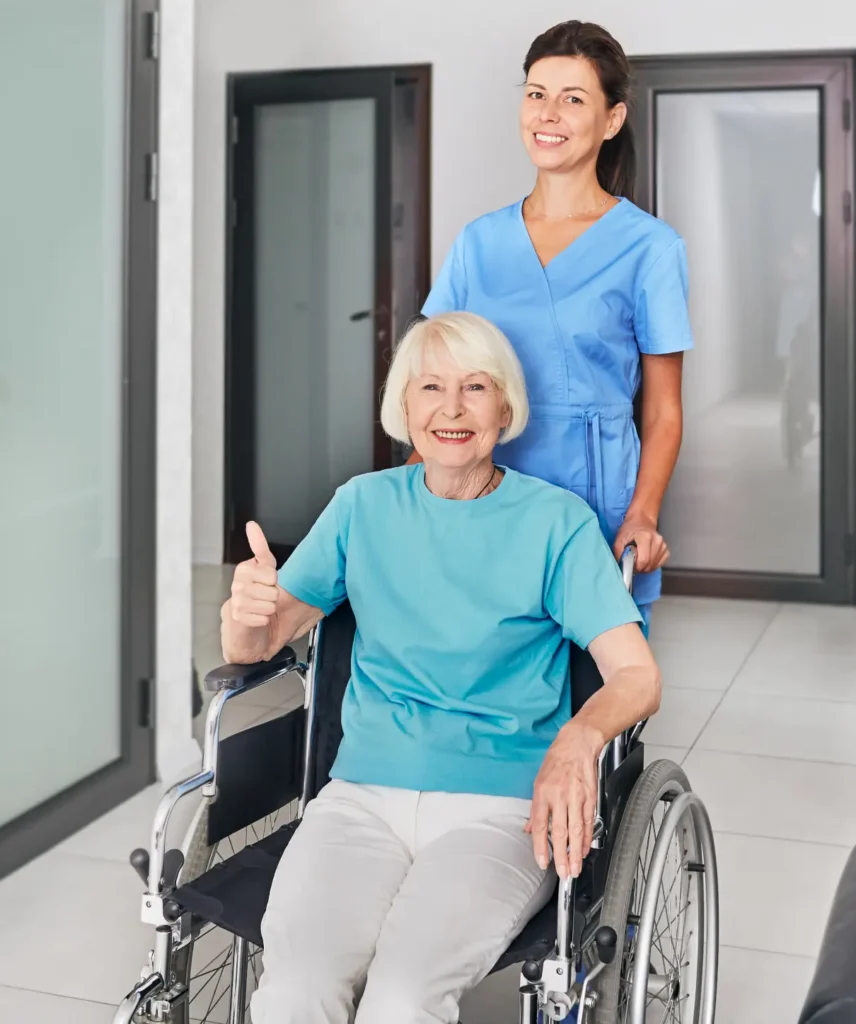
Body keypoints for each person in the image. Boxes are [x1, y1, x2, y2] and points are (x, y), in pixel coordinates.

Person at [222, 312, 661, 1024]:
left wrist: (580, 738)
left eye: (475, 387)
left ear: (506, 408)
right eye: (431, 387)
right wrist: (244, 614)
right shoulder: (361, 507)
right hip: (362, 797)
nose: (451, 409)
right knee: (292, 990)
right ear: (404, 407)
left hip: (498, 811)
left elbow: (639, 677)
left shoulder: (557, 523)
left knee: (402, 999)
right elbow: (256, 644)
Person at [418, 20, 694, 634]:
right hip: (480, 485)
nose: (548, 113)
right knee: (478, 671)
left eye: (573, 99)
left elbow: (663, 412)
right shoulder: (479, 243)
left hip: (593, 501)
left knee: (590, 689)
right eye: (536, 93)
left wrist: (643, 515)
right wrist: (410, 495)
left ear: (612, 120)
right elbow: (431, 384)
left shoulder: (649, 248)